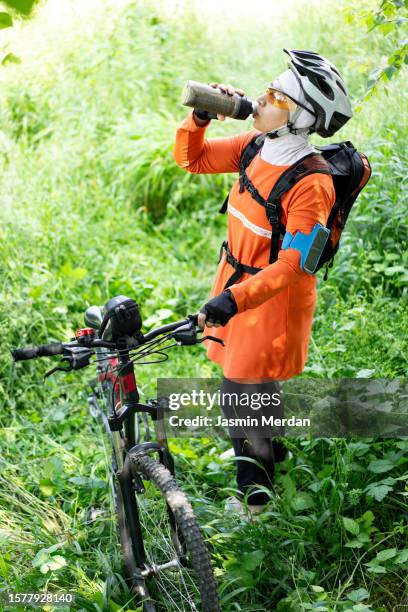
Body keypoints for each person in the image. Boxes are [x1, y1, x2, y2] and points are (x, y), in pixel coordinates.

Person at [173, 49, 352, 516]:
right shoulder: (256, 146)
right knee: (251, 394)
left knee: (241, 395)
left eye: (276, 96)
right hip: (237, 286)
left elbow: (295, 264)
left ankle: (257, 502)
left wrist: (236, 298)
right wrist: (199, 118)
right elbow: (190, 160)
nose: (260, 98)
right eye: (269, 88)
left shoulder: (312, 182)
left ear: (301, 118)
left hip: (268, 302)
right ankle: (271, 461)